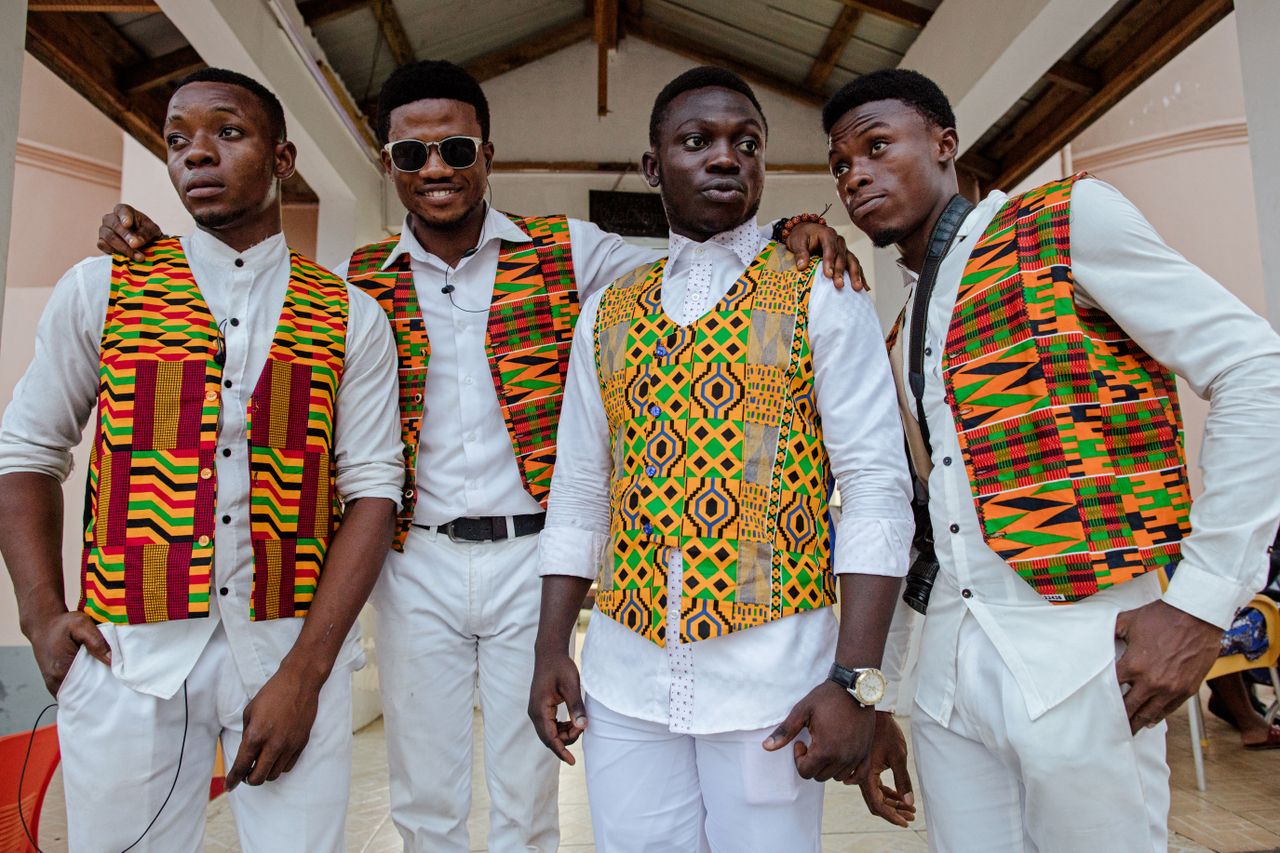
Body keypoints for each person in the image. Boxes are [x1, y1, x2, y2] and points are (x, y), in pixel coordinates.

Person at [97, 58, 858, 853]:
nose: (435, 170)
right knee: (423, 792)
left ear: (486, 156)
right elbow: (255, 291)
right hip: (413, 559)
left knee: (529, 788)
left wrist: (787, 232)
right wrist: (151, 243)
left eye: (456, 151)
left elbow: (698, 264)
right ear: (390, 165)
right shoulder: (356, 281)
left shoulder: (572, 252)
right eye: (410, 156)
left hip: (532, 555)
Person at [822, 68, 1280, 850]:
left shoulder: (1066, 220)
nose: (855, 173)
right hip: (950, 669)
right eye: (839, 164)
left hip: (1082, 645)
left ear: (944, 143)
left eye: (875, 146)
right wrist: (879, 689)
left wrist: (1204, 599)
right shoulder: (901, 326)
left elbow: (1255, 370)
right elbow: (919, 516)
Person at [0, 68, 403, 851]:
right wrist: (40, 614)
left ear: (283, 159)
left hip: (285, 648)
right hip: (128, 654)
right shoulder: (105, 288)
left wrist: (307, 673)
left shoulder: (349, 315)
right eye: (178, 139)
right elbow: (27, 448)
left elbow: (374, 492)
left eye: (227, 132)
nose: (197, 154)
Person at [528, 66, 914, 852]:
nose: (724, 157)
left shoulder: (819, 290)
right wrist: (549, 647)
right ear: (652, 166)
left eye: (747, 143)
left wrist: (855, 682)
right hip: (625, 676)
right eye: (696, 141)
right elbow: (578, 490)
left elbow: (877, 488)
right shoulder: (608, 310)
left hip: (775, 680)